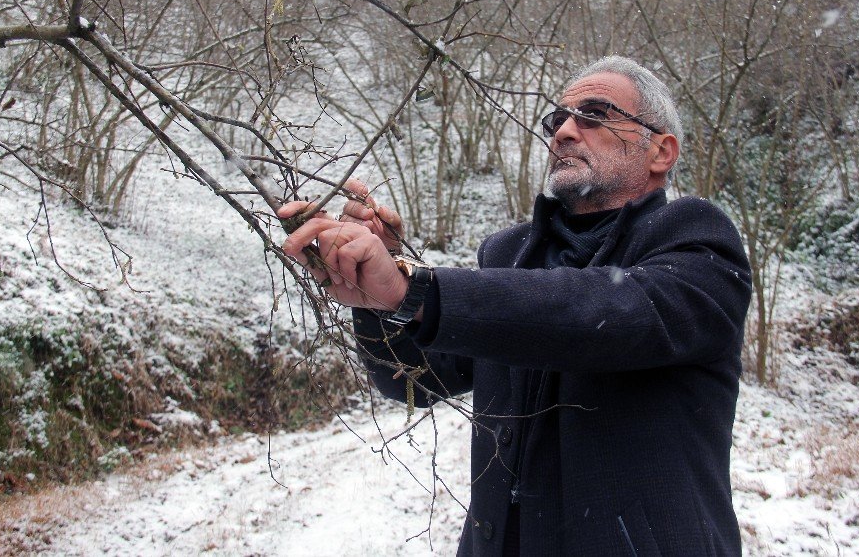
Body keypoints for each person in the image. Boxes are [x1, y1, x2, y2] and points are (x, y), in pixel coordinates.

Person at [280, 55, 752, 556]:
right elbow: (412, 380)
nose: (566, 131)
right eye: (558, 119)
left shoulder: (697, 241)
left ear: (661, 150)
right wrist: (376, 297)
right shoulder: (509, 254)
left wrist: (416, 290)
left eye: (594, 114)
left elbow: (609, 315)